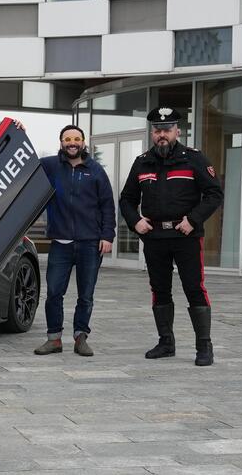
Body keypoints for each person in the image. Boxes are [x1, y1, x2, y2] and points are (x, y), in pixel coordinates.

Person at [119, 107, 223, 366]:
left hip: (185, 235)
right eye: (157, 130)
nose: (161, 135)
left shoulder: (194, 159)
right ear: (152, 133)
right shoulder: (142, 162)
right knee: (159, 290)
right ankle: (166, 342)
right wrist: (135, 222)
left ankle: (204, 347)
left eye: (166, 130)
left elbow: (214, 194)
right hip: (154, 238)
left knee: (194, 288)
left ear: (178, 131)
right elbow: (127, 199)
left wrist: (193, 220)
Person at [33, 124, 116, 357]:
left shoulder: (96, 170)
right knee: (53, 293)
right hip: (61, 243)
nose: (72, 142)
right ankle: (54, 339)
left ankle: (81, 338)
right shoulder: (50, 166)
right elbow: (25, 161)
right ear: (61, 142)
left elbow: (107, 206)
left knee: (86, 295)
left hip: (90, 243)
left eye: (76, 139)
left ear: (83, 143)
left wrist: (107, 236)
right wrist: (20, 130)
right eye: (67, 139)